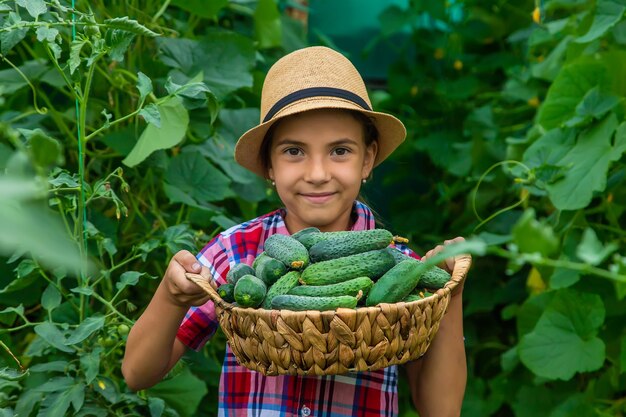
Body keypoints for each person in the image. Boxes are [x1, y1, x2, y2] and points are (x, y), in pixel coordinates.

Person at [122, 46, 467, 417]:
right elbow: (137, 373)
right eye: (293, 152)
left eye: (339, 151)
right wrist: (171, 297)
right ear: (269, 165)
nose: (317, 173)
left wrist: (451, 294)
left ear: (367, 159)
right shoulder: (235, 252)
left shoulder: (401, 269)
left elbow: (441, 410)